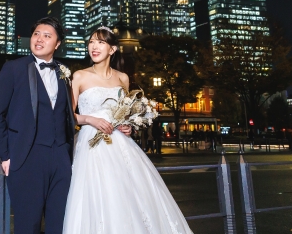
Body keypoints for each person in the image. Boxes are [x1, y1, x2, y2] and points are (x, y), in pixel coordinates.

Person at [63, 26, 194, 234]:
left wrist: (127, 126)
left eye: (100, 42)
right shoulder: (79, 76)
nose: (94, 47)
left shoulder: (122, 78)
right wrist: (90, 119)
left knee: (128, 196)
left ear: (112, 49)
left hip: (119, 143)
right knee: (98, 195)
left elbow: (122, 111)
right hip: (91, 144)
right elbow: (66, 116)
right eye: (91, 42)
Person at [0, 17, 77, 234]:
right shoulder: (14, 68)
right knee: (28, 224)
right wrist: (4, 154)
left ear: (57, 44)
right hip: (26, 156)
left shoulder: (64, 72)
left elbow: (73, 114)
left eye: (47, 36)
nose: (39, 39)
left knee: (60, 224)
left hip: (60, 157)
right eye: (36, 34)